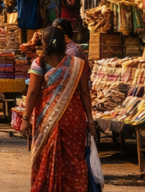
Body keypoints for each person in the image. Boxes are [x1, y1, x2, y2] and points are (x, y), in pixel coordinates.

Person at [24, 26, 95, 192]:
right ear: (65, 43)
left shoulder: (39, 63)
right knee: (74, 160)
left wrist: (26, 119)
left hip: (47, 119)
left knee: (46, 158)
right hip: (74, 120)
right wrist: (90, 120)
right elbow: (85, 93)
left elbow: (33, 92)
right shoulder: (78, 64)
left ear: (44, 43)